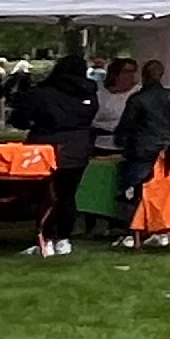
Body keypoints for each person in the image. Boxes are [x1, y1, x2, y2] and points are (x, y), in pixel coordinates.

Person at [14, 52, 101, 257]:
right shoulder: (89, 93)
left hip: (45, 149)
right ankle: (64, 239)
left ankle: (46, 239)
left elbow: (20, 119)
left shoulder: (42, 93)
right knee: (67, 196)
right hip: (79, 148)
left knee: (45, 196)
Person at [113, 58, 170, 245]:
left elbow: (126, 126)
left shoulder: (137, 99)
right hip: (168, 149)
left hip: (143, 150)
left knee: (134, 191)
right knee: (165, 190)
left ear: (144, 76)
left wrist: (121, 143)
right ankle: (164, 226)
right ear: (161, 75)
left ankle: (135, 231)